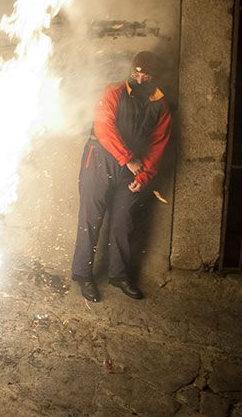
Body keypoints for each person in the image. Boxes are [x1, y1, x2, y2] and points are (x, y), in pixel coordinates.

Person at [71, 51, 172, 302]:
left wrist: (145, 174)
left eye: (146, 75)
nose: (139, 79)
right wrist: (129, 159)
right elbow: (103, 128)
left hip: (132, 170)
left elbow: (158, 144)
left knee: (123, 221)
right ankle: (83, 275)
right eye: (136, 72)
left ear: (155, 77)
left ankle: (119, 275)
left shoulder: (161, 105)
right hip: (100, 159)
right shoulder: (114, 92)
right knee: (90, 218)